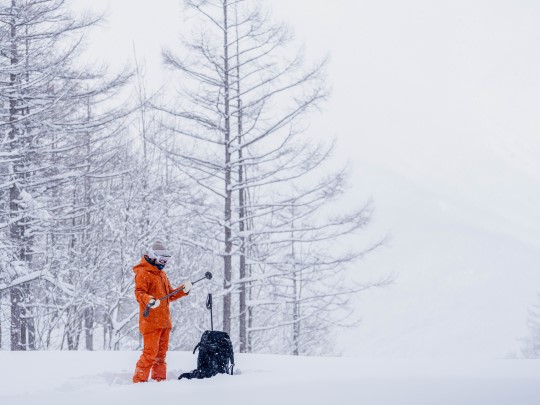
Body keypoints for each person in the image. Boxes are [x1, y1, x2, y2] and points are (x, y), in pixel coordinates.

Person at [132, 240, 192, 383]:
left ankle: (159, 382)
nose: (164, 263)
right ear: (153, 257)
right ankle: (139, 382)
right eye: (161, 260)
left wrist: (183, 290)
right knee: (150, 354)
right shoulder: (143, 273)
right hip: (151, 323)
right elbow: (139, 293)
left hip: (164, 322)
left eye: (166, 260)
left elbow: (170, 295)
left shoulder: (162, 274)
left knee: (161, 356)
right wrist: (149, 300)